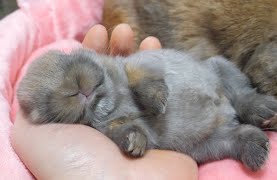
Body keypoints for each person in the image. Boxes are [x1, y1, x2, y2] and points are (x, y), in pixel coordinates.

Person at [11, 24, 198, 180]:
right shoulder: (92, 128)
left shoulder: (109, 65)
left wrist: (143, 80)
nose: (73, 89)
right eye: (47, 99)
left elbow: (138, 66)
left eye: (67, 66)